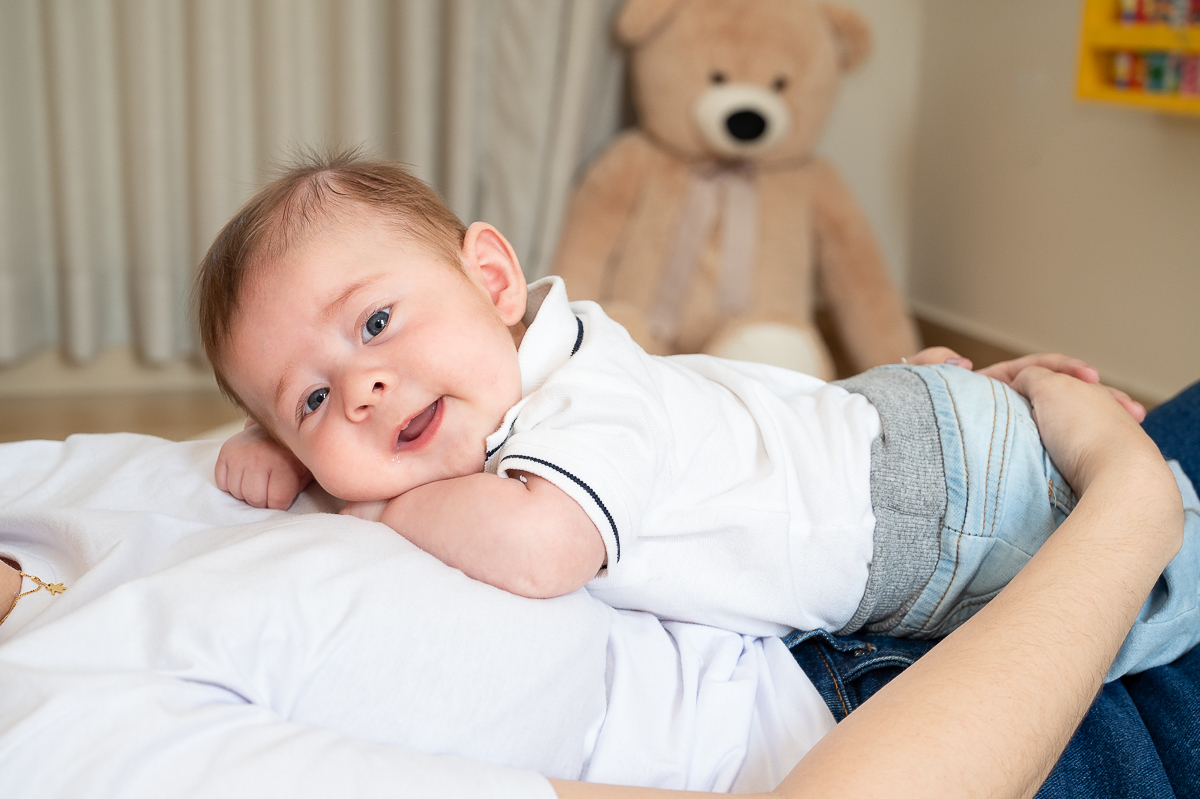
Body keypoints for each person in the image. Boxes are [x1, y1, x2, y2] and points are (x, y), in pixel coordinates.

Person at [0, 351, 1191, 798]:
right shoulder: (57, 740)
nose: (352, 390)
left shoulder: (33, 487)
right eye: (313, 393)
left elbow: (571, 420)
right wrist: (1123, 511)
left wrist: (865, 443)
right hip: (950, 716)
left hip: (845, 569)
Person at [201, 153, 1199, 680]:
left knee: (1156, 587)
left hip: (940, 508)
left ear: (494, 278)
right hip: (889, 429)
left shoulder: (578, 405)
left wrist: (374, 508)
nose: (365, 387)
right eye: (315, 397)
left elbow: (543, 548)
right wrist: (291, 455)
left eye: (375, 320)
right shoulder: (533, 363)